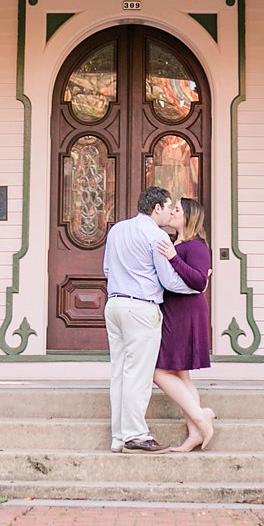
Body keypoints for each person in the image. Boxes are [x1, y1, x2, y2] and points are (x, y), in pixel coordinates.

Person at [101, 186, 199, 453]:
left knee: (120, 372)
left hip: (115, 305)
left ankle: (118, 436)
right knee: (139, 374)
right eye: (168, 208)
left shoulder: (117, 229)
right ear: (156, 208)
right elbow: (168, 280)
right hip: (141, 308)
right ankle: (136, 435)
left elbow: (107, 269)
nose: (170, 213)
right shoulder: (156, 235)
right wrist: (196, 286)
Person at [154, 195, 215, 452]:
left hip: (187, 312)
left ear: (189, 216)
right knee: (180, 374)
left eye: (177, 209)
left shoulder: (196, 246)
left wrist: (172, 257)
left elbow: (200, 281)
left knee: (157, 372)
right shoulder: (174, 242)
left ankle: (201, 418)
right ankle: (195, 432)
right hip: (173, 311)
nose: (173, 212)